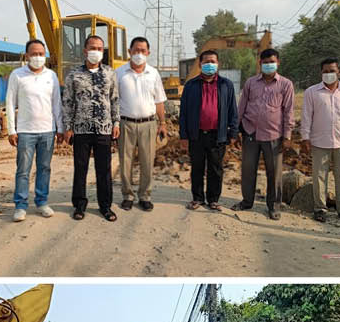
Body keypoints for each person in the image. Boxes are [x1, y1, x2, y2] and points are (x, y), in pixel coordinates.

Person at [62, 34, 120, 221]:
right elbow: (68, 102)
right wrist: (67, 126)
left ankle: (105, 206)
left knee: (104, 169)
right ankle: (79, 205)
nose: (96, 51)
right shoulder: (74, 75)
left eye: (99, 48)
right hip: (81, 129)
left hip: (104, 129)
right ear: (85, 51)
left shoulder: (110, 73)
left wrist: (116, 122)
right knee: (81, 169)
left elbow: (115, 100)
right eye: (92, 48)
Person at [6, 38, 63, 221]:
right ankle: (20, 205)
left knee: (44, 168)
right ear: (27, 55)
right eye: (34, 54)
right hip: (25, 131)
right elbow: (10, 102)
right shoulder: (17, 75)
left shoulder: (51, 76)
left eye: (41, 54)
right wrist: (11, 130)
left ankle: (42, 202)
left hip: (47, 130)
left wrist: (59, 128)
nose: (38, 57)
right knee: (23, 170)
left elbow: (57, 104)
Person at [235, 48, 294, 220]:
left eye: (272, 62)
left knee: (274, 172)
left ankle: (274, 206)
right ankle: (247, 201)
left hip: (274, 135)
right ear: (260, 63)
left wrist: (288, 135)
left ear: (278, 63)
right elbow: (242, 106)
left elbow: (289, 111)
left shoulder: (285, 84)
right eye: (265, 62)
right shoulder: (251, 83)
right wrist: (236, 129)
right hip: (250, 132)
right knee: (248, 169)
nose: (268, 65)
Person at [301, 58, 340, 224]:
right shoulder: (312, 92)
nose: (329, 74)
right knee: (319, 177)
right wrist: (305, 138)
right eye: (325, 71)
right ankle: (320, 209)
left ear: (339, 72)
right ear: (321, 73)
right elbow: (306, 117)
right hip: (319, 142)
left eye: (332, 71)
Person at [178, 49, 237, 211]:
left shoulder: (226, 85)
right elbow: (183, 112)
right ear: (200, 64)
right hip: (196, 135)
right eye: (206, 62)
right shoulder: (191, 85)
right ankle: (197, 198)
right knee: (197, 167)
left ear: (218, 64)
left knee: (216, 169)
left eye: (213, 62)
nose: (209, 65)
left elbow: (233, 110)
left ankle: (213, 199)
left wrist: (233, 132)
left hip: (217, 135)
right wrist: (183, 135)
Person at [115, 36, 166, 212]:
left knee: (147, 161)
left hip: (149, 124)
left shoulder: (154, 73)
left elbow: (159, 101)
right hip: (125, 123)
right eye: (135, 50)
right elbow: (113, 100)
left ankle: (145, 196)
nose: (139, 54)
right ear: (129, 52)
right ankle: (128, 195)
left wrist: (163, 123)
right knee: (125, 161)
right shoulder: (119, 73)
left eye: (143, 51)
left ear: (148, 53)